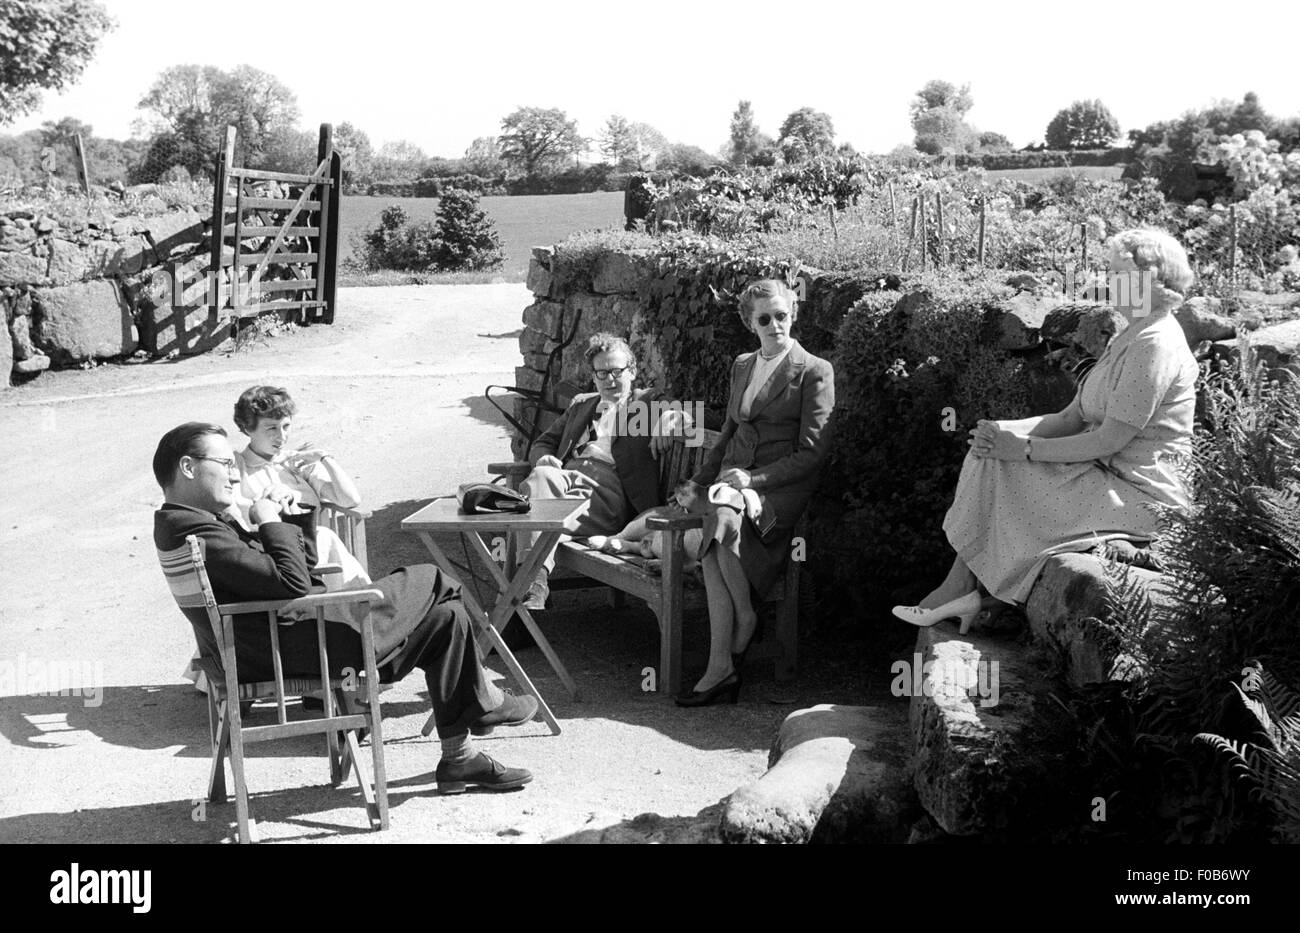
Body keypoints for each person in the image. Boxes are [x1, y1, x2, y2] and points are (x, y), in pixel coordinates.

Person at [153, 422, 538, 793]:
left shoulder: (184, 523)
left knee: (446, 618)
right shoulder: (195, 529)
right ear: (188, 466)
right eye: (225, 465)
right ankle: (485, 702)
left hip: (283, 642)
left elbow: (289, 573)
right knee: (434, 579)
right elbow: (292, 583)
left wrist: (287, 518)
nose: (235, 476)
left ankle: (461, 757)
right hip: (294, 650)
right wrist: (267, 520)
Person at [892, 228, 1200, 631]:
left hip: (1143, 497)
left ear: (1152, 280)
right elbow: (1071, 419)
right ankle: (961, 589)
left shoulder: (1155, 344)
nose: (1108, 283)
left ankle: (961, 591)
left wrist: (1022, 450)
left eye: (1118, 274)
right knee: (989, 451)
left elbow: (1108, 440)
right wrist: (1000, 430)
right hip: (1106, 478)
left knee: (1006, 462)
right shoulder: (1130, 335)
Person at [675, 279, 836, 707]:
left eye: (782, 315)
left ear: (793, 315)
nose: (775, 325)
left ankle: (724, 659)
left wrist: (755, 481)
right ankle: (733, 641)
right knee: (717, 525)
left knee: (720, 520)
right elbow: (729, 430)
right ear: (751, 323)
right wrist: (701, 480)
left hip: (780, 488)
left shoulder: (814, 370)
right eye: (764, 319)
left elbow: (812, 454)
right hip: (734, 479)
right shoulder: (743, 364)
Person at [520, 333, 691, 609]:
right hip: (563, 482)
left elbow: (694, 416)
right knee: (541, 478)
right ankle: (530, 591)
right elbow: (543, 443)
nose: (609, 380)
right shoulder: (582, 404)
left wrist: (673, 417)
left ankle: (525, 594)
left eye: (616, 371)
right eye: (602, 373)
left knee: (525, 520)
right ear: (594, 377)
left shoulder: (646, 402)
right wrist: (544, 459)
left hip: (608, 493)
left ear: (632, 371)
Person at [230, 385, 365, 588]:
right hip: (275, 558)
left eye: (286, 426)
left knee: (325, 537)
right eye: (271, 428)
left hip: (316, 554)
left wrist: (324, 457)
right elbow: (241, 521)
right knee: (325, 536)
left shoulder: (295, 463)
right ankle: (363, 601)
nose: (282, 436)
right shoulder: (238, 467)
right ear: (248, 428)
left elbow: (350, 499)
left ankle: (359, 602)